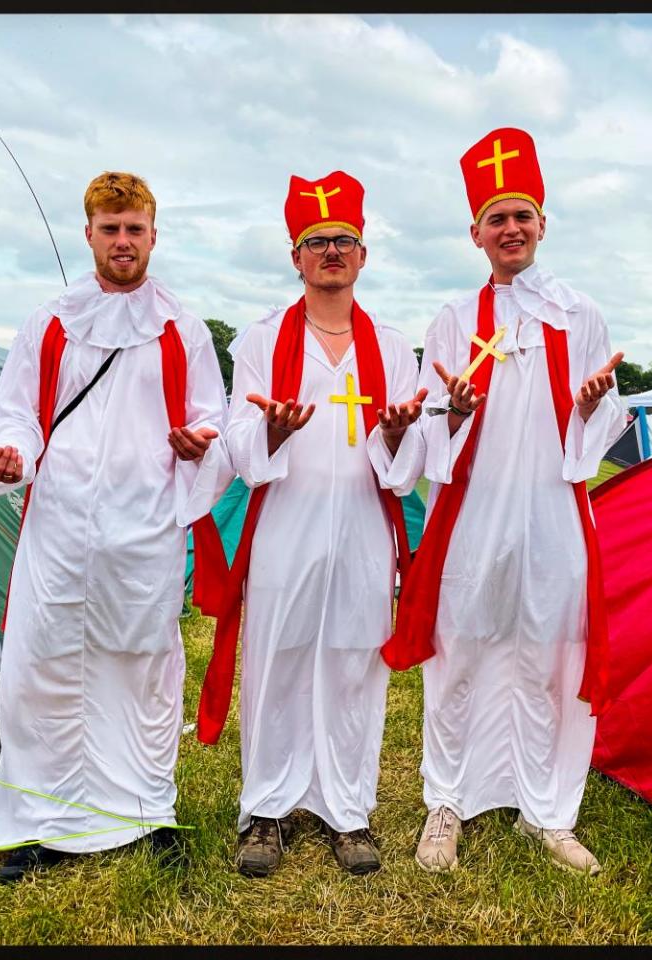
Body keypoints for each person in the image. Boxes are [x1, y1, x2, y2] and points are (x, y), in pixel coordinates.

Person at [0, 171, 234, 882]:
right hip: (61, 530)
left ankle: (144, 810)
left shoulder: (180, 328)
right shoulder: (51, 322)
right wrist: (14, 454)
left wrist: (200, 440)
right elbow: (14, 413)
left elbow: (212, 416)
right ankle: (42, 818)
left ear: (153, 235)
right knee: (45, 670)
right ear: (89, 235)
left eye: (135, 229)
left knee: (141, 669)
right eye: (111, 229)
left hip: (144, 532)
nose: (123, 241)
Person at [381, 128, 625, 876]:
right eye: (496, 218)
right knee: (460, 650)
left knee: (554, 654)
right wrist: (453, 411)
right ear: (475, 233)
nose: (510, 229)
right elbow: (428, 429)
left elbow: (605, 421)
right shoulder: (454, 319)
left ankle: (549, 813)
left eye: (522, 215)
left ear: (542, 223)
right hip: (474, 513)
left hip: (553, 512)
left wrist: (590, 405)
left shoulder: (578, 313)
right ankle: (446, 803)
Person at [195, 170, 426, 877]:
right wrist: (272, 431)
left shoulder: (388, 344)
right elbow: (238, 439)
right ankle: (265, 809)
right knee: (279, 656)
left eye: (344, 240)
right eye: (317, 241)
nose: (331, 251)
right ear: (295, 256)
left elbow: (407, 459)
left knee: (355, 659)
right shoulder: (263, 339)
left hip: (361, 525)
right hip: (287, 523)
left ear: (364, 256)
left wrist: (393, 434)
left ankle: (347, 811)